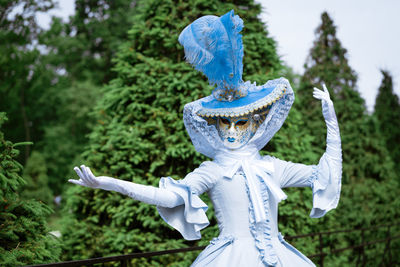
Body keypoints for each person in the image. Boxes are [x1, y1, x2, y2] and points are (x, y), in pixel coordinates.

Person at [69, 10, 342, 267]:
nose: (232, 130)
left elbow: (324, 174)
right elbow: (168, 197)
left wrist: (331, 123)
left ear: (256, 122)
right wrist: (110, 183)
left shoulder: (272, 167)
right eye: (225, 121)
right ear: (215, 124)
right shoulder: (213, 171)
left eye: (242, 121)